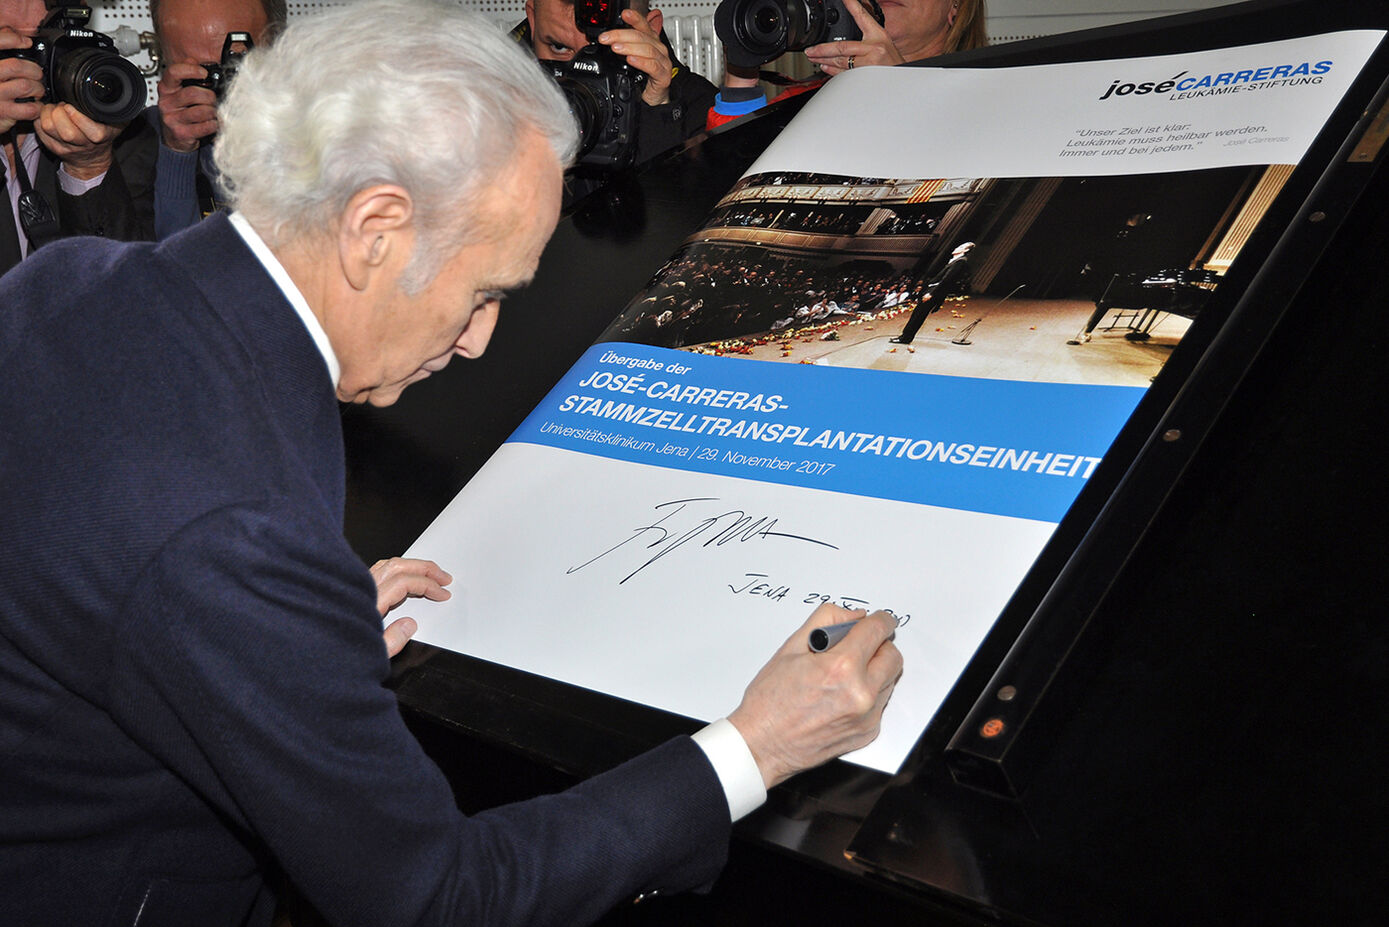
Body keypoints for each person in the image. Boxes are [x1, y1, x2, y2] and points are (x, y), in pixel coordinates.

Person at [0, 3, 902, 926]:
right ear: (375, 227)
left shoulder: (71, 279)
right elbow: (435, 896)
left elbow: (97, 568)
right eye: (485, 290)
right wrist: (758, 747)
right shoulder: (229, 531)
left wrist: (289, 635)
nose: (479, 341)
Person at [0, 0, 154, 273]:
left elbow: (127, 291)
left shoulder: (124, 136)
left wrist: (89, 166)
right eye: (13, 49)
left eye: (46, 46)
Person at [515, 0, 715, 198]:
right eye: (558, 47)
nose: (583, 76)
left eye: (609, 51)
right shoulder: (500, 103)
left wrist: (657, 112)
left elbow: (673, 220)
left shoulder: (701, 111)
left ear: (650, 29)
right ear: (532, 20)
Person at [708, 0, 988, 128]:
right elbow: (737, 182)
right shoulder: (808, 99)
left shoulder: (988, 95)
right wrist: (742, 72)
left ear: (957, 6)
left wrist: (899, 88)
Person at [146, 0, 285, 237]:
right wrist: (178, 153)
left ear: (277, 47)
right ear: (165, 58)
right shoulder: (129, 149)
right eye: (202, 71)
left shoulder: (328, 132)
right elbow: (175, 267)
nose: (221, 83)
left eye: (235, 63)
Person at [890, 239, 974, 344]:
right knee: (917, 314)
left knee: (918, 316)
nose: (957, 248)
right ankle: (905, 336)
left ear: (965, 250)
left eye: (961, 247)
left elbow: (946, 280)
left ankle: (905, 338)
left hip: (934, 292)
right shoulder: (955, 260)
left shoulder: (960, 261)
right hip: (932, 290)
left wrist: (931, 293)